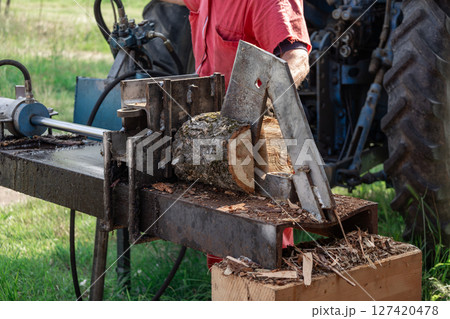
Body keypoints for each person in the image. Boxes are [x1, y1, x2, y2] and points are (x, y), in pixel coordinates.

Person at [162, 0, 311, 268]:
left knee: (264, 263)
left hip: (257, 153)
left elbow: (297, 58)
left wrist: (257, 101)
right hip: (217, 149)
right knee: (224, 261)